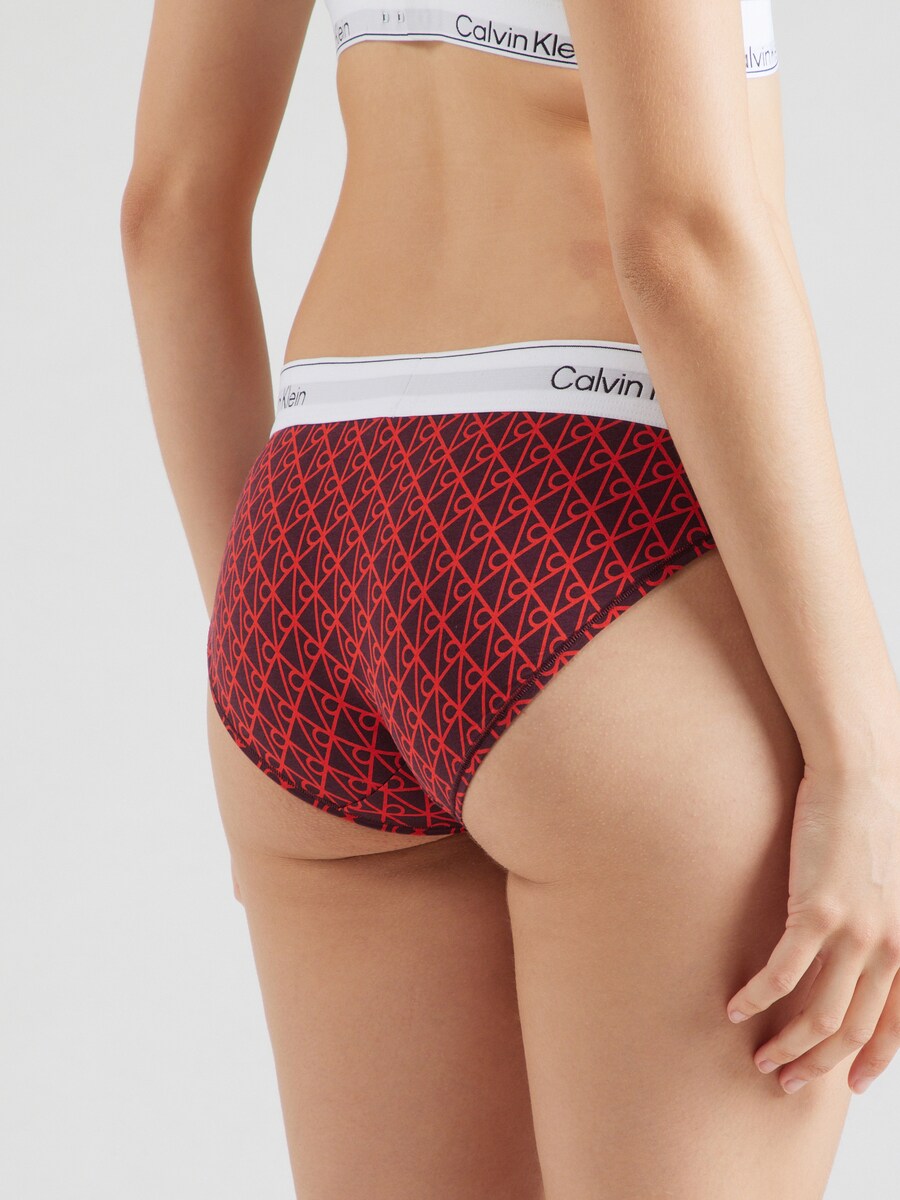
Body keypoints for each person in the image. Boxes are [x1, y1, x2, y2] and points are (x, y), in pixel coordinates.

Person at [120, 0, 900, 1195]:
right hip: (579, 515)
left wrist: (260, 661)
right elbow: (684, 236)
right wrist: (866, 760)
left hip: (309, 536)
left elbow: (168, 213)